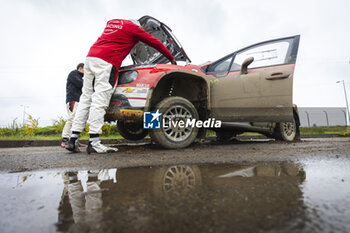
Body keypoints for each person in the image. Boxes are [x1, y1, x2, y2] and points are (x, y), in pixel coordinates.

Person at [66, 18, 176, 154]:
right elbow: (154, 41)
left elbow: (118, 41)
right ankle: (94, 141)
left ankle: (73, 138)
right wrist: (170, 57)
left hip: (90, 58)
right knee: (100, 100)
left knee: (86, 97)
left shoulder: (113, 23)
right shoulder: (133, 28)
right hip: (106, 61)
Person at [61, 63, 85, 147]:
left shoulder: (80, 76)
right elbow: (80, 84)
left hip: (78, 100)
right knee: (72, 118)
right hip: (73, 100)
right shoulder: (74, 74)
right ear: (81, 68)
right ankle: (65, 139)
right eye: (86, 69)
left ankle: (74, 141)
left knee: (77, 120)